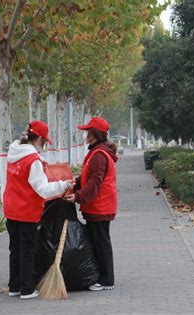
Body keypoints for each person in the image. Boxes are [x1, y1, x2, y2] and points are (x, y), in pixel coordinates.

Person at [3, 120, 74, 300]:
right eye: (44, 142)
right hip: (26, 210)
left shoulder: (14, 154)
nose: (43, 146)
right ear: (39, 138)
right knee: (27, 250)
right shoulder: (32, 160)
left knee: (15, 249)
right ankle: (27, 289)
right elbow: (42, 189)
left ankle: (15, 286)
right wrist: (63, 185)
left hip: (11, 208)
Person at [65, 116, 118, 291]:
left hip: (100, 206)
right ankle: (103, 276)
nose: (85, 134)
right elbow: (87, 177)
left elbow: (95, 183)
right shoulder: (96, 152)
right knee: (98, 241)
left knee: (101, 242)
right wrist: (75, 183)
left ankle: (106, 279)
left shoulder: (99, 155)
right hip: (98, 205)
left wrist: (78, 197)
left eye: (87, 131)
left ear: (93, 135)